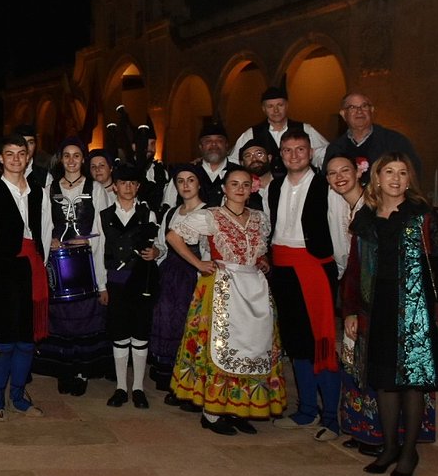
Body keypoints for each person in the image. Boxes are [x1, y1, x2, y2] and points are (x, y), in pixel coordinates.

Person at [349, 154, 438, 476]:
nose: (395, 179)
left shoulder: (423, 217)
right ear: (377, 179)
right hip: (378, 305)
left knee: (412, 379)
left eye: (402, 173)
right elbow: (355, 271)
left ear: (409, 180)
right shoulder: (366, 220)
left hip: (416, 309)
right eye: (389, 172)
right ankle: (389, 447)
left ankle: (409, 451)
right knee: (384, 379)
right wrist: (352, 310)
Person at [167, 167, 287, 434]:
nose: (240, 189)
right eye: (234, 184)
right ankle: (211, 412)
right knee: (220, 346)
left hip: (254, 288)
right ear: (224, 188)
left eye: (245, 184)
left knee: (253, 348)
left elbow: (256, 252)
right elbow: (173, 237)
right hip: (223, 287)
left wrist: (262, 262)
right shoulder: (211, 216)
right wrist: (199, 262)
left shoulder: (259, 218)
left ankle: (237, 407)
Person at [267, 129, 349, 441]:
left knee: (322, 343)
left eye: (299, 150)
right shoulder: (274, 187)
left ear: (310, 152)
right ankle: (305, 410)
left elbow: (340, 233)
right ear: (281, 154)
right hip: (284, 269)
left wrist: (337, 270)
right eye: (287, 150)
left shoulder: (325, 187)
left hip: (315, 268)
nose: (293, 155)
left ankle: (330, 417)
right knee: (296, 342)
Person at [0, 132, 53, 421]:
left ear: (27, 157)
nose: (16, 159)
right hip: (3, 271)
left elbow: (44, 231)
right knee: (5, 340)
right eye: (10, 153)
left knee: (27, 339)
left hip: (31, 271)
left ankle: (18, 395)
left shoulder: (40, 193)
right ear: (1, 158)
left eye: (21, 153)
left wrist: (40, 266)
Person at [32, 137, 110, 396]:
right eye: (67, 155)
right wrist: (49, 241)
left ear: (83, 159)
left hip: (86, 262)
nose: (72, 160)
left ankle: (81, 370)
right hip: (59, 263)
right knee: (62, 319)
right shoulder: (50, 187)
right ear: (60, 159)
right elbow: (43, 222)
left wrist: (86, 243)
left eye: (77, 155)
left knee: (83, 319)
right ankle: (64, 369)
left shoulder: (96, 189)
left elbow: (101, 229)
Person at [101, 162, 163, 409]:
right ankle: (120, 387)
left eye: (132, 183)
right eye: (123, 183)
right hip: (115, 281)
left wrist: (157, 251)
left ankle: (138, 387)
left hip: (141, 280)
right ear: (114, 187)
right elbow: (98, 252)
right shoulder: (104, 215)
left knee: (140, 332)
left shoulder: (149, 214)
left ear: (138, 187)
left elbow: (162, 244)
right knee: (119, 333)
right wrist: (101, 286)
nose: (127, 187)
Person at [148, 163, 208, 400]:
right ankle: (167, 375)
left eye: (190, 180)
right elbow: (164, 244)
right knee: (167, 321)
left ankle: (187, 381)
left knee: (188, 325)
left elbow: (206, 250)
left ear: (199, 183)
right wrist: (156, 251)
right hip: (170, 274)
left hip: (192, 274)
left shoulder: (208, 213)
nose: (185, 185)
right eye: (180, 181)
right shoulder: (171, 213)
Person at [324, 92, 423, 181]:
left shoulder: (395, 141)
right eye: (352, 107)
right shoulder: (335, 148)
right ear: (343, 114)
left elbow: (414, 174)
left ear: (372, 110)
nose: (359, 111)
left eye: (364, 106)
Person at [229, 85, 329, 171]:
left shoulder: (305, 129)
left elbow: (323, 154)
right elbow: (234, 161)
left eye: (280, 105)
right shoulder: (251, 133)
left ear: (287, 105)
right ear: (263, 109)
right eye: (270, 106)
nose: (276, 110)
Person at [162, 122, 241, 209]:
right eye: (208, 141)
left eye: (219, 140)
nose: (214, 144)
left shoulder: (239, 173)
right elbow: (169, 206)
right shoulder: (185, 173)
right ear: (200, 146)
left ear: (226, 145)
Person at [237, 137, 276, 211]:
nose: (254, 159)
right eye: (248, 156)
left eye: (259, 154)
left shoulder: (284, 182)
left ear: (269, 158)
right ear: (242, 163)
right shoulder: (240, 190)